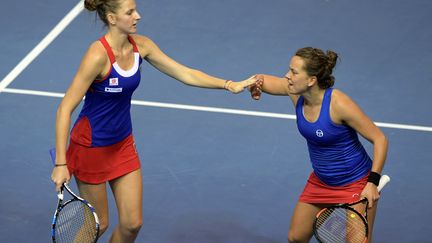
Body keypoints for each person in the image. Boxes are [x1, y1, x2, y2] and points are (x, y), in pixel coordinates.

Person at [50, 0, 256, 242]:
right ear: (112, 18)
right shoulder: (97, 55)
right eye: (130, 12)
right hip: (91, 147)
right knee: (99, 224)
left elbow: (185, 73)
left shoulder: (142, 46)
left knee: (132, 224)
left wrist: (229, 84)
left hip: (122, 143)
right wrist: (61, 164)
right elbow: (65, 108)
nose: (138, 16)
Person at [249, 47, 388, 243]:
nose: (287, 76)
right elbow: (262, 79)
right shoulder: (297, 93)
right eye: (289, 70)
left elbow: (380, 139)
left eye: (294, 72)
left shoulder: (338, 104)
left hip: (356, 183)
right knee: (296, 237)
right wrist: (249, 84)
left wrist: (372, 182)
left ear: (311, 80)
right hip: (322, 181)